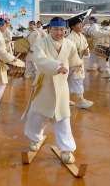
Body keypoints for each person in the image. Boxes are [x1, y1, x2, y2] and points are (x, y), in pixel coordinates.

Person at [24, 17, 83, 164]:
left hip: (61, 85)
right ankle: (35, 139)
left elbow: (74, 59)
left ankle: (66, 149)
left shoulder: (69, 44)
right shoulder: (41, 43)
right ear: (49, 29)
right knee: (38, 116)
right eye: (56, 29)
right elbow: (40, 60)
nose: (59, 32)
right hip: (44, 84)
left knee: (63, 117)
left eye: (62, 29)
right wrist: (57, 67)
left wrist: (79, 63)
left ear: (65, 29)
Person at [66, 17, 92, 108]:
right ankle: (80, 101)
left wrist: (86, 51)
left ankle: (65, 99)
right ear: (73, 27)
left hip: (80, 61)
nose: (81, 26)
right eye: (79, 24)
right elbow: (69, 52)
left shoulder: (82, 36)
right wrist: (80, 53)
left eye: (81, 24)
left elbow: (86, 47)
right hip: (73, 63)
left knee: (71, 81)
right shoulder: (70, 38)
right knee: (77, 80)